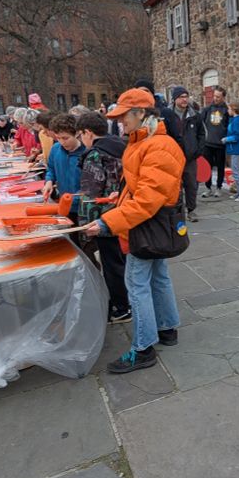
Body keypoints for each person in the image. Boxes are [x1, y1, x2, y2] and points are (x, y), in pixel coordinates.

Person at [84, 88, 183, 374]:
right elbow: (140, 187)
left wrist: (107, 223)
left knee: (136, 285)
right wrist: (121, 198)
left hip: (146, 226)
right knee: (158, 277)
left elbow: (148, 199)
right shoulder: (143, 141)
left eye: (123, 116)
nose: (119, 122)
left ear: (141, 114)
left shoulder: (157, 145)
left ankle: (143, 348)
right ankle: (166, 329)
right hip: (148, 224)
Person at [77, 111, 131, 323]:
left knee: (112, 265)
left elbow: (90, 195)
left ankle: (121, 307)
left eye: (81, 135)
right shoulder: (122, 146)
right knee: (124, 261)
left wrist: (85, 228)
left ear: (87, 133)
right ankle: (128, 301)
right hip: (126, 213)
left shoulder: (96, 155)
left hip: (105, 220)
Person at [170, 86, 205, 221]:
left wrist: (199, 149)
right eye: (181, 97)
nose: (184, 99)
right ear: (175, 99)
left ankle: (191, 210)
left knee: (191, 185)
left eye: (186, 96)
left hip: (190, 157)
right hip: (173, 157)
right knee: (174, 186)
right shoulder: (168, 115)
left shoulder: (195, 115)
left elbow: (202, 133)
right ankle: (177, 212)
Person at [42, 113, 86, 216]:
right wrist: (49, 181)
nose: (62, 142)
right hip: (64, 204)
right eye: (58, 138)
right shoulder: (55, 149)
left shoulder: (86, 153)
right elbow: (51, 169)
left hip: (82, 207)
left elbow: (89, 186)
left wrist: (71, 199)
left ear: (77, 134)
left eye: (65, 138)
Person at [200, 86, 230, 197]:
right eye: (214, 96)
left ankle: (218, 187)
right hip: (208, 144)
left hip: (220, 144)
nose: (215, 98)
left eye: (218, 96)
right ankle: (208, 188)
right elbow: (200, 123)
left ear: (223, 97)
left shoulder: (226, 110)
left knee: (220, 167)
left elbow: (229, 126)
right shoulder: (207, 109)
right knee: (207, 167)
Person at [224, 102, 239, 202]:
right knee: (235, 171)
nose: (227, 111)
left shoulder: (237, 121)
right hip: (235, 149)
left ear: (233, 110)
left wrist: (226, 139)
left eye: (229, 109)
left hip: (237, 149)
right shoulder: (235, 119)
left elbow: (237, 136)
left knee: (236, 172)